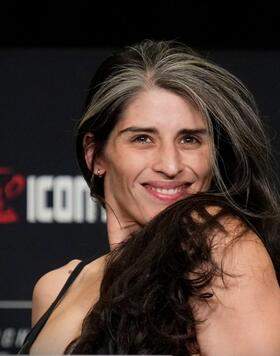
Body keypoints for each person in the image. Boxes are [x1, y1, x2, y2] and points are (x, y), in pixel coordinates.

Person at [18, 40, 280, 355]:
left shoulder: (221, 247)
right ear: (95, 155)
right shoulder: (55, 288)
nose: (170, 165)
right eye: (143, 138)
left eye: (190, 139)